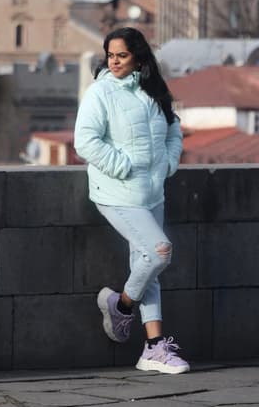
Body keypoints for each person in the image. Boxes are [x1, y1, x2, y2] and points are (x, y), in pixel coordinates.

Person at [74, 27, 190, 375]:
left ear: (138, 56)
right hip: (117, 193)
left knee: (148, 265)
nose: (114, 61)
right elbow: (85, 141)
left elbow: (174, 128)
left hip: (152, 192)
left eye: (121, 55)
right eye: (110, 55)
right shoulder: (101, 92)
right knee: (158, 251)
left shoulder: (153, 90)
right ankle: (121, 306)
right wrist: (122, 167)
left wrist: (169, 162)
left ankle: (154, 347)